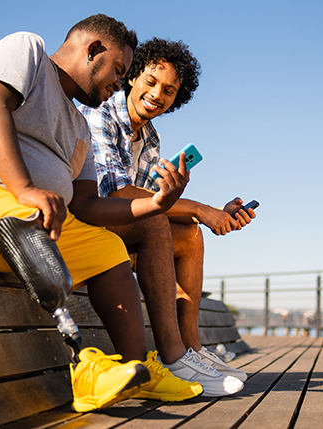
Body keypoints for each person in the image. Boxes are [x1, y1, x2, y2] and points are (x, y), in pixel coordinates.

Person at [0, 14, 236, 412]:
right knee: (23, 219)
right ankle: (84, 364)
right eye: (118, 70)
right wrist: (25, 188)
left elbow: (88, 205)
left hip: (37, 224)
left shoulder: (79, 125)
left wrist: (158, 205)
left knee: (107, 250)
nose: (119, 83)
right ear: (93, 49)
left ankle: (137, 372)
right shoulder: (27, 51)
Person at [78, 37, 254, 387]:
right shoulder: (102, 113)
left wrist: (215, 213)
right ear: (131, 77)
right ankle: (173, 359)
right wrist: (201, 208)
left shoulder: (150, 138)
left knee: (190, 235)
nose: (158, 94)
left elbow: (152, 199)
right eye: (151, 81)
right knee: (158, 223)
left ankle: (192, 350)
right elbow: (119, 195)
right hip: (84, 219)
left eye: (170, 90)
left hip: (120, 228)